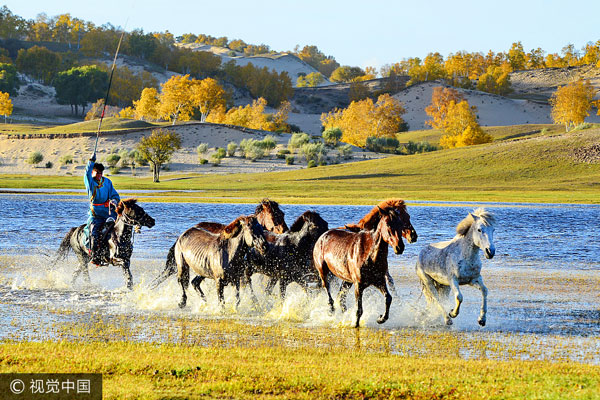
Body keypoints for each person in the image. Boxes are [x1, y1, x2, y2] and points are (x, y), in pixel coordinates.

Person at [84, 152, 120, 265]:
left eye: (101, 172)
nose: (99, 174)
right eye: (97, 172)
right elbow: (86, 174)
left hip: (109, 212)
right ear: (93, 172)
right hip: (96, 213)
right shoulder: (90, 182)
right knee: (93, 232)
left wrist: (114, 200)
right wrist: (91, 161)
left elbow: (115, 195)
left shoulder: (107, 182)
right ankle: (94, 255)